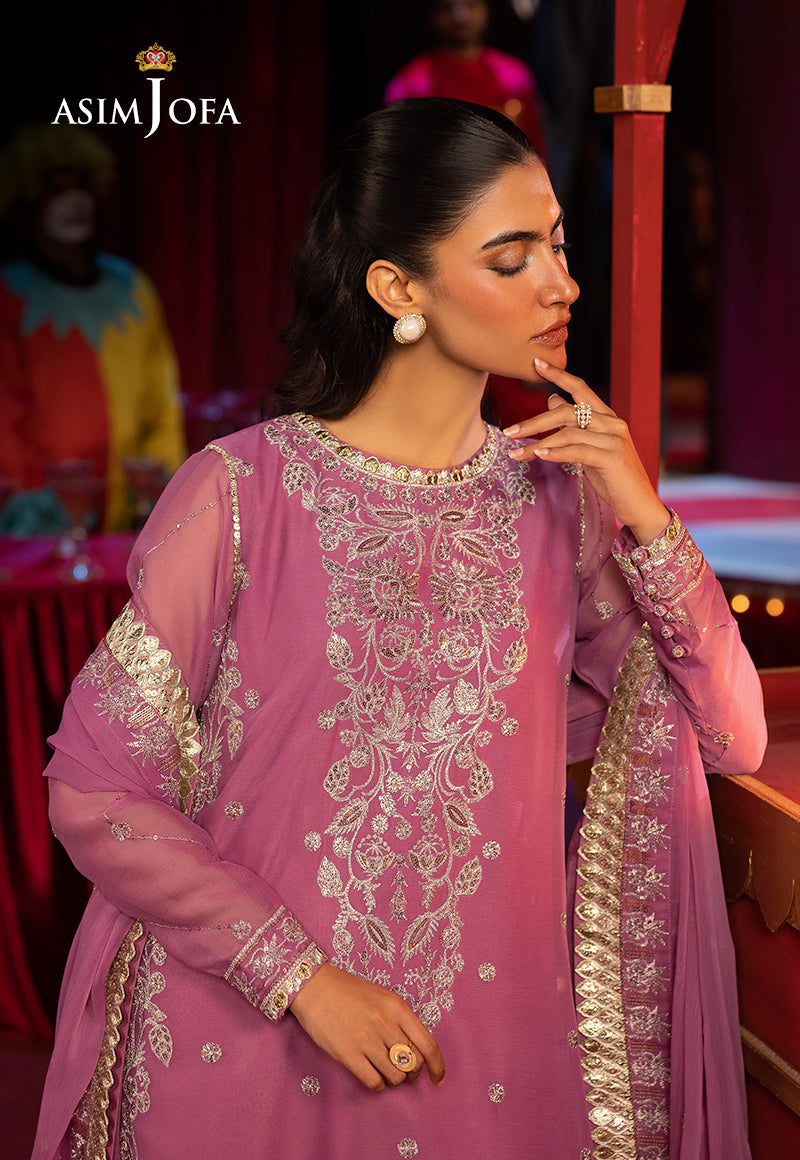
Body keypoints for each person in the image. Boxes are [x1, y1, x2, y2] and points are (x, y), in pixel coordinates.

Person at [32, 98, 764, 1159]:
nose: (560, 284)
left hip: (487, 1057)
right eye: (511, 257)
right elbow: (96, 786)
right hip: (246, 1029)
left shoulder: (562, 506)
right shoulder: (240, 494)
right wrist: (301, 978)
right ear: (397, 288)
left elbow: (730, 732)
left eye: (558, 246)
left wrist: (644, 514)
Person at [0, 125, 186, 533]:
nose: (75, 201)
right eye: (56, 190)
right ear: (27, 201)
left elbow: (162, 402)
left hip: (130, 515)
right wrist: (33, 507)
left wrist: (162, 491)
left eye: (82, 187)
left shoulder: (133, 287)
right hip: (39, 520)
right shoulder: (10, 295)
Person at [384, 0, 547, 157]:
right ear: (433, 15)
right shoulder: (411, 84)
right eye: (448, 8)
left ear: (486, 10)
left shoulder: (514, 75)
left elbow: (534, 146)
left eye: (470, 5)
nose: (460, 17)